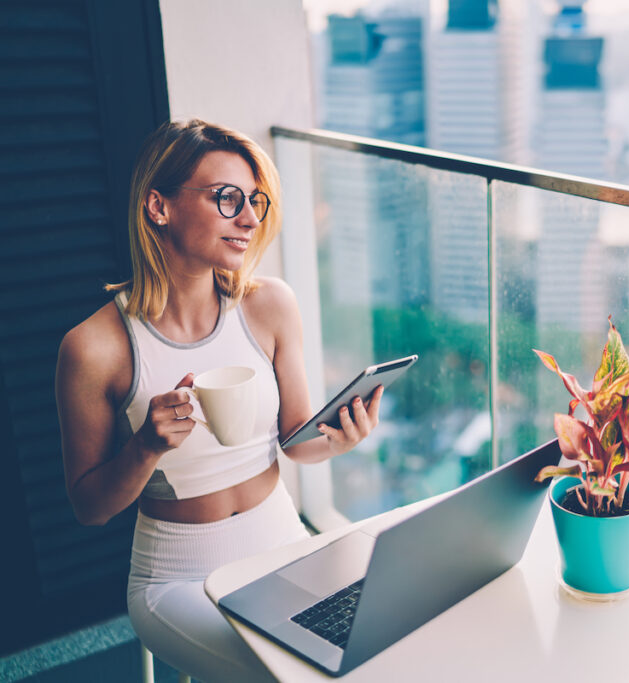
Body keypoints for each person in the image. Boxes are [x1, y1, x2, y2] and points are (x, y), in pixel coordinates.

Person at [55, 119, 383, 682]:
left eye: (254, 202)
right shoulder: (94, 349)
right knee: (287, 671)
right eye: (227, 199)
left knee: (373, 642)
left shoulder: (270, 306)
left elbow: (296, 443)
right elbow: (90, 508)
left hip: (283, 541)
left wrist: (338, 438)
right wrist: (145, 447)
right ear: (159, 206)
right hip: (175, 577)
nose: (251, 219)